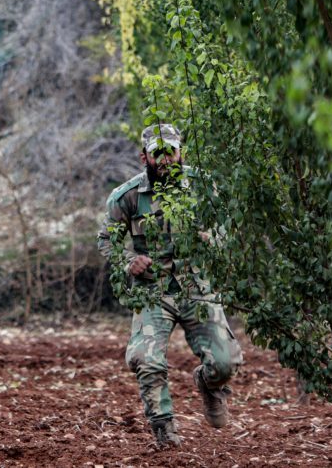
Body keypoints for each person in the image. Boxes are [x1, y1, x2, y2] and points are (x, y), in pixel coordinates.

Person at [97, 123, 242, 448]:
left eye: (170, 152)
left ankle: (209, 384)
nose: (165, 159)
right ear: (144, 157)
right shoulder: (127, 197)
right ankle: (164, 430)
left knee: (225, 362)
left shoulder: (204, 186)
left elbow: (228, 225)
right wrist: (128, 261)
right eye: (157, 153)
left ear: (180, 153)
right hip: (153, 291)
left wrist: (213, 239)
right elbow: (107, 239)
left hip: (196, 287)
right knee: (146, 360)